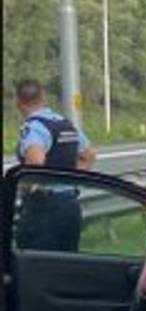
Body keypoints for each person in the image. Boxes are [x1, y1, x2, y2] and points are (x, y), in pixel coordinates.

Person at [12, 79, 96, 251]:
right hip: (70, 204)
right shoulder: (65, 124)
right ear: (43, 98)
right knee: (67, 264)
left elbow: (35, 160)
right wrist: (68, 177)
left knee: (39, 266)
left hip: (44, 207)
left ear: (19, 103)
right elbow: (89, 156)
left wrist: (28, 186)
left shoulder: (34, 127)